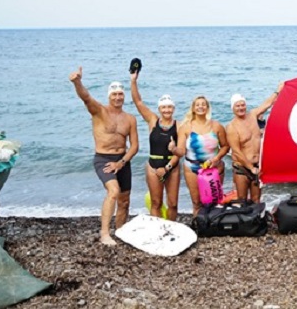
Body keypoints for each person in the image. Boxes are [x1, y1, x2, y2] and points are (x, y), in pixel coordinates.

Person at [69, 67, 139, 246]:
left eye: (120, 94)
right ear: (109, 96)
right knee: (113, 192)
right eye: (114, 94)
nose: (117, 97)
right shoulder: (99, 111)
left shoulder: (130, 118)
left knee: (124, 201)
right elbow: (86, 97)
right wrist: (77, 82)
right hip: (103, 159)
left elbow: (135, 146)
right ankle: (104, 233)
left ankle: (121, 231)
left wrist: (122, 163)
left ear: (124, 96)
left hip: (122, 161)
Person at [130, 69, 181, 221]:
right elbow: (138, 102)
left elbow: (181, 151)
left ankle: (171, 229)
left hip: (172, 167)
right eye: (164, 107)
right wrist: (133, 81)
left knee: (172, 204)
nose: (167, 110)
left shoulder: (179, 125)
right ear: (159, 109)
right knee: (156, 202)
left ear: (173, 108)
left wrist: (167, 167)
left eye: (169, 107)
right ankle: (157, 231)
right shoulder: (153, 120)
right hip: (153, 166)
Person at [226, 82, 284, 203]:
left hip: (257, 166)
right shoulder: (232, 127)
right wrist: (250, 167)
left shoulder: (253, 115)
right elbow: (236, 151)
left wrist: (278, 90)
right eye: (237, 106)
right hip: (242, 168)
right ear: (233, 108)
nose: (241, 108)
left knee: (256, 199)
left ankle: (257, 221)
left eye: (243, 105)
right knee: (242, 200)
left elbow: (268, 104)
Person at [174, 95, 229, 217]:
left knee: (214, 201)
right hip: (192, 168)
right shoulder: (186, 127)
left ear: (208, 108)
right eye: (197, 105)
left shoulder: (216, 126)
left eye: (203, 104)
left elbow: (225, 146)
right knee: (197, 202)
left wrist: (216, 158)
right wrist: (173, 149)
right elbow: (181, 151)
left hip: (214, 168)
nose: (201, 107)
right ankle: (199, 227)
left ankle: (213, 226)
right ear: (193, 108)